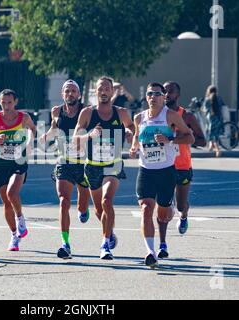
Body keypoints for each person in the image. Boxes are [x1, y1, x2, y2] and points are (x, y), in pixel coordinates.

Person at [129, 82, 194, 268]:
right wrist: (133, 148)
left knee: (163, 212)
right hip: (146, 170)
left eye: (157, 94)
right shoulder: (139, 118)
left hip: (166, 170)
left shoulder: (171, 115)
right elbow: (136, 137)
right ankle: (150, 252)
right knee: (146, 209)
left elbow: (189, 137)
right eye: (150, 93)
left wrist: (170, 138)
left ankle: (171, 208)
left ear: (163, 97)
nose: (153, 97)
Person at [74, 76, 134, 260]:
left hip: (113, 164)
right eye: (100, 88)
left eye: (107, 88)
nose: (104, 91)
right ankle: (110, 231)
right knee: (100, 210)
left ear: (112, 91)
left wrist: (131, 133)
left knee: (107, 201)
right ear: (96, 91)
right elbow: (76, 138)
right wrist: (89, 136)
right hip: (92, 166)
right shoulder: (87, 113)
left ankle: (105, 244)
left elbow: (132, 127)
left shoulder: (121, 113)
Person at [39, 80, 90, 259]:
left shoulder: (87, 111)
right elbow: (54, 129)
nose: (70, 94)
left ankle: (84, 209)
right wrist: (44, 138)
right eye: (67, 91)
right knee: (63, 201)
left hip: (84, 163)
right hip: (64, 161)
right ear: (62, 94)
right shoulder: (56, 111)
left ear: (79, 94)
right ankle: (65, 243)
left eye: (73, 91)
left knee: (82, 206)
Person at [0, 89, 36, 251]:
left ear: (15, 102)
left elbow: (32, 130)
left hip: (19, 161)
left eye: (9, 102)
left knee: (12, 193)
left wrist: (30, 141)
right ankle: (14, 235)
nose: (6, 105)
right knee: (6, 202)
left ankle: (20, 218)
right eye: (3, 102)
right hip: (1, 163)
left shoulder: (23, 117)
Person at [161, 81, 206, 258]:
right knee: (162, 204)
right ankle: (163, 244)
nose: (166, 94)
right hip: (163, 165)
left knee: (180, 204)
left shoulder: (186, 116)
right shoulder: (158, 115)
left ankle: (184, 215)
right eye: (164, 91)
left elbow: (202, 141)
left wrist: (184, 137)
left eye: (170, 92)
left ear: (177, 95)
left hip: (183, 166)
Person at [202, 85, 224, 157]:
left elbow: (205, 109)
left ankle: (217, 149)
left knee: (211, 133)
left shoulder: (207, 99)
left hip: (211, 119)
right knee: (216, 134)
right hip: (218, 118)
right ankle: (211, 147)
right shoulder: (219, 98)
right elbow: (222, 106)